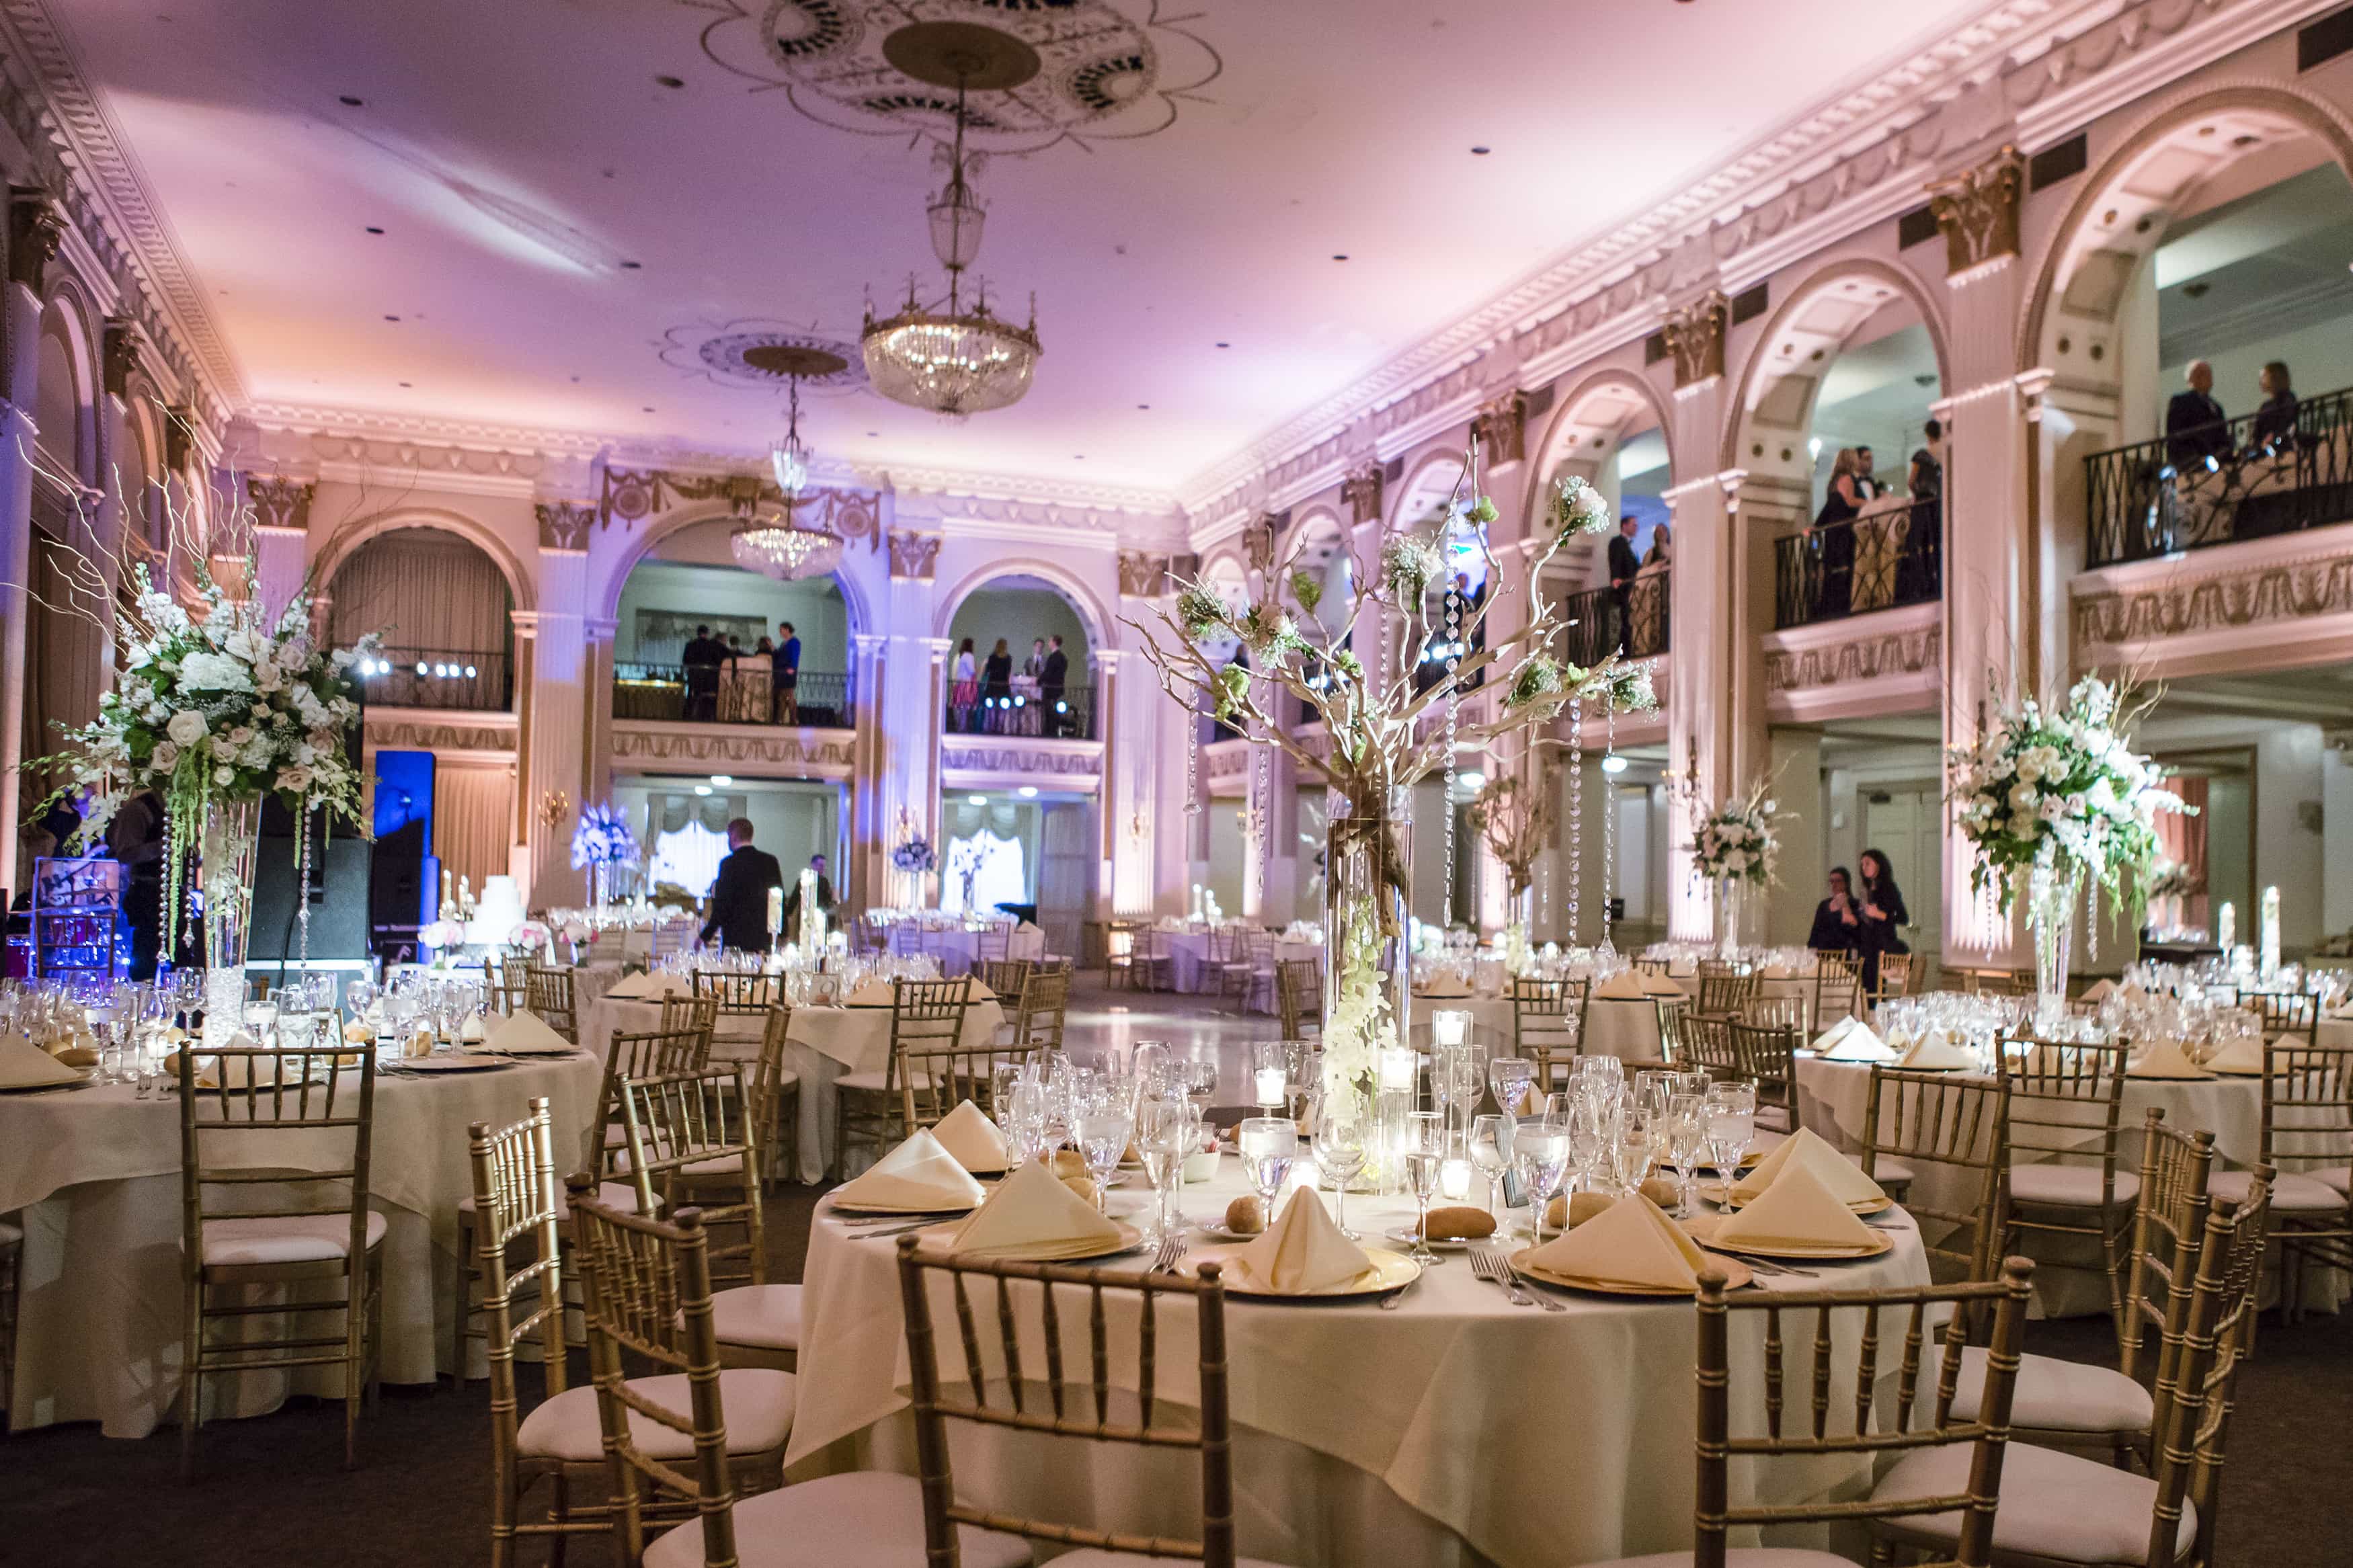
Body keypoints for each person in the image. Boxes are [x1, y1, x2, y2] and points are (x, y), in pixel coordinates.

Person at [699, 818, 783, 952]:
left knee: (735, 973)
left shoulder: (728, 864)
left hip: (735, 939)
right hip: (763, 938)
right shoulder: (770, 862)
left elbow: (722, 905)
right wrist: (783, 934)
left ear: (733, 835)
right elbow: (778, 900)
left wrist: (706, 935)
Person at [109, 789, 165, 980]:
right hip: (147, 893)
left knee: (183, 955)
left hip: (177, 894)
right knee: (146, 954)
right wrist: (163, 847)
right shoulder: (140, 809)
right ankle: (142, 1003)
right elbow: (125, 854)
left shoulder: (183, 810)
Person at [1812, 448, 1866, 618]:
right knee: (1846, 565)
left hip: (1833, 531)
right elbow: (1850, 501)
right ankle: (1844, 604)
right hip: (1844, 530)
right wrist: (1869, 502)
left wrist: (1816, 526)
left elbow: (1829, 507)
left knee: (1833, 567)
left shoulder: (1833, 481)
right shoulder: (1847, 479)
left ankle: (1829, 606)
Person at [1853, 847, 1910, 996]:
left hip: (1882, 944)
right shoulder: (1866, 889)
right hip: (1866, 943)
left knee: (1877, 986)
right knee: (1865, 986)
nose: (1863, 867)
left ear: (1878, 865)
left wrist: (1879, 914)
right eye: (1862, 864)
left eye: (1867, 863)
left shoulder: (1888, 887)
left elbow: (1904, 918)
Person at [2165, 360, 2230, 471]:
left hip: (2216, 462)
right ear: (2191, 378)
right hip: (2193, 461)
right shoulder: (2181, 401)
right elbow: (2175, 433)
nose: (2208, 378)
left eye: (2209, 374)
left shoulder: (2216, 407)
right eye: (2202, 374)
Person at [779, 852, 837, 944]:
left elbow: (827, 902)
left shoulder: (825, 882)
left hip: (820, 919)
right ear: (813, 865)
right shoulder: (803, 881)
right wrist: (786, 912)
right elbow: (794, 900)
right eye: (820, 865)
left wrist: (832, 901)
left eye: (823, 866)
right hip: (805, 919)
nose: (822, 868)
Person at [1806, 866, 1863, 958]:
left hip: (1845, 954)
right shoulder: (1824, 905)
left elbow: (1857, 931)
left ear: (1846, 883)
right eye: (1832, 881)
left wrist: (1845, 907)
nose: (1834, 885)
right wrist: (1811, 950)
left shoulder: (1856, 904)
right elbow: (1816, 931)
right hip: (1823, 953)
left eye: (1838, 881)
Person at [1607, 515, 1642, 656]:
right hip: (1623, 589)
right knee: (1624, 619)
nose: (1636, 527)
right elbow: (1616, 560)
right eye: (1634, 525)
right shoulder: (1617, 542)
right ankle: (1624, 651)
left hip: (1631, 588)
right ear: (1624, 526)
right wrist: (1616, 578)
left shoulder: (1630, 545)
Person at [2251, 360, 2299, 455]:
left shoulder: (2288, 398)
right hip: (2264, 449)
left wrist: (2275, 435)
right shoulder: (2265, 406)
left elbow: (2287, 421)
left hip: (2282, 448)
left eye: (2264, 376)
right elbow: (2257, 432)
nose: (2261, 381)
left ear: (2275, 377)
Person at [681, 624, 723, 721]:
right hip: (709, 676)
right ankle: (706, 716)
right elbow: (717, 660)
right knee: (707, 698)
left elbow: (685, 661)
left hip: (694, 675)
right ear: (707, 633)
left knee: (692, 697)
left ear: (698, 633)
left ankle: (690, 716)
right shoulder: (712, 645)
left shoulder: (690, 645)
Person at [1040, 632, 1070, 738]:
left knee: (1049, 712)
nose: (1048, 643)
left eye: (1050, 641)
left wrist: (1038, 681)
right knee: (1054, 711)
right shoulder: (1063, 657)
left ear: (1054, 643)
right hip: (1058, 688)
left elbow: (1049, 673)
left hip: (1051, 689)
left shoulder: (1054, 657)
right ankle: (1054, 731)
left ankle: (1050, 732)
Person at [982, 637, 1014, 732]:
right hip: (1003, 687)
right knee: (1002, 710)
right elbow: (1009, 674)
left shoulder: (991, 657)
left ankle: (991, 729)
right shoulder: (1008, 658)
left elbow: (987, 672)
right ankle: (999, 729)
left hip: (992, 686)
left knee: (991, 710)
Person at [772, 620, 801, 725]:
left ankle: (793, 719)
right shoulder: (784, 643)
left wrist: (792, 668)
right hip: (782, 672)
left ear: (787, 629)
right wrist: (774, 650)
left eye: (781, 630)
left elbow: (795, 656)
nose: (780, 632)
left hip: (788, 672)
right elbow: (780, 656)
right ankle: (781, 719)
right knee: (783, 696)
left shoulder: (794, 642)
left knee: (789, 695)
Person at [951, 637, 980, 731]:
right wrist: (977, 669)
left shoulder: (961, 656)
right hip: (967, 684)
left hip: (960, 683)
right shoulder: (969, 656)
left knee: (961, 706)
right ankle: (963, 728)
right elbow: (972, 671)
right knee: (965, 707)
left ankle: (960, 726)